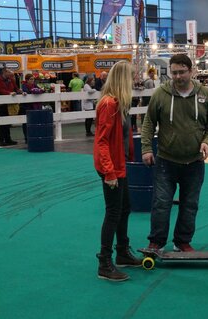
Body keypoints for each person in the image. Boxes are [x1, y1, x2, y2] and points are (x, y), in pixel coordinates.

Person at [141, 54, 208, 252]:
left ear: (191, 71)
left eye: (181, 72)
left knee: (190, 204)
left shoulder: (205, 95)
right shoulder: (160, 94)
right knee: (161, 203)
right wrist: (147, 148)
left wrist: (206, 142)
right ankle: (156, 242)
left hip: (194, 162)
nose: (177, 76)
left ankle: (182, 241)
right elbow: (149, 122)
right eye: (173, 72)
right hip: (166, 161)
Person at [93, 60, 142, 281]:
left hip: (119, 164)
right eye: (132, 77)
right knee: (114, 212)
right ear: (124, 79)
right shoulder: (109, 104)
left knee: (124, 209)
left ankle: (122, 252)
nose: (134, 81)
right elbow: (101, 141)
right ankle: (105, 262)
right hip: (111, 167)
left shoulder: (120, 104)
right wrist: (109, 172)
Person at [0, 68, 23, 146]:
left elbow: (16, 88)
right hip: (1, 103)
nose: (10, 74)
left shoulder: (11, 79)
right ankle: (1, 140)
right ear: (4, 72)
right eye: (9, 72)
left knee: (7, 122)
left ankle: (8, 139)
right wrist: (9, 93)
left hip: (9, 103)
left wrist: (20, 91)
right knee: (1, 122)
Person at [20, 73, 44, 143]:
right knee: (26, 123)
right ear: (27, 80)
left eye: (33, 79)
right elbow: (26, 91)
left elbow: (40, 90)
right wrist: (34, 91)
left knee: (34, 123)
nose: (32, 80)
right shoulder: (24, 85)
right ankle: (26, 138)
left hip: (34, 107)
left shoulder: (35, 85)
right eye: (31, 79)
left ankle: (34, 137)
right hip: (26, 107)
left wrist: (37, 90)